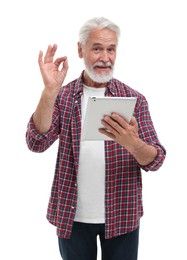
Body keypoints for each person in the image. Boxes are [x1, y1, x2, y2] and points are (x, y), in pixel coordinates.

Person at [26, 17, 166, 260]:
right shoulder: (63, 97)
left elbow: (156, 159)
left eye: (111, 49)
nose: (105, 57)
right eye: (97, 48)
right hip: (72, 217)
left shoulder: (135, 99)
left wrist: (133, 144)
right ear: (80, 50)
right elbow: (36, 142)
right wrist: (50, 92)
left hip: (122, 214)